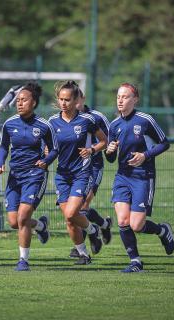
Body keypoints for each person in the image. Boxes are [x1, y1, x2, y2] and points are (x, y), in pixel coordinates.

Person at [105, 83, 174, 273]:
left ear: (135, 99)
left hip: (143, 177)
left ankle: (162, 231)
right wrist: (109, 151)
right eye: (118, 96)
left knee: (136, 225)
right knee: (122, 221)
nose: (120, 100)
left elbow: (164, 143)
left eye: (125, 97)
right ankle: (135, 261)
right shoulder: (114, 125)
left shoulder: (145, 120)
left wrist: (145, 156)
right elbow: (111, 158)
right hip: (122, 176)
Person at [0, 82, 57, 271]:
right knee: (14, 222)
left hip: (35, 175)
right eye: (18, 100)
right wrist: (0, 163)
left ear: (34, 103)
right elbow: (4, 146)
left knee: (22, 217)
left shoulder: (44, 125)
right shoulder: (9, 123)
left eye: (24, 100)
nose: (19, 103)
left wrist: (46, 161)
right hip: (15, 176)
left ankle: (23, 260)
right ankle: (40, 225)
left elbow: (55, 149)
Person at [48, 80, 107, 265]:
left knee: (72, 213)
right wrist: (44, 155)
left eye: (67, 100)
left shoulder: (87, 120)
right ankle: (84, 253)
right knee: (69, 220)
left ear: (76, 101)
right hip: (62, 175)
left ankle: (92, 231)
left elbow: (104, 141)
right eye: (61, 99)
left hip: (81, 173)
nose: (63, 103)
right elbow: (47, 147)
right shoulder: (52, 122)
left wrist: (92, 150)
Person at [69, 89, 113, 259]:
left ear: (82, 98)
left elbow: (110, 138)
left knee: (83, 205)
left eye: (76, 99)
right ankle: (103, 224)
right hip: (75, 167)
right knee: (79, 207)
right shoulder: (67, 117)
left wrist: (101, 150)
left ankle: (82, 246)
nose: (74, 104)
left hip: (94, 166)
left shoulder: (97, 117)